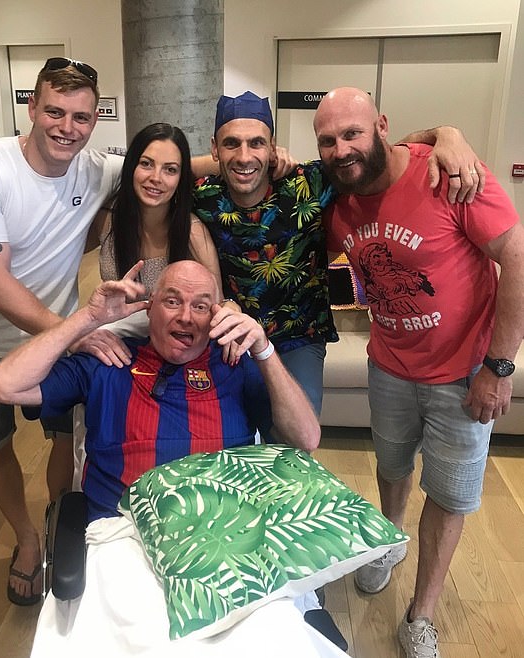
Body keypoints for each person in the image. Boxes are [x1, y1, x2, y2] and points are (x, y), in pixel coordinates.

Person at [313, 86, 524, 658]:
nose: (341, 148)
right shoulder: (338, 198)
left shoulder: (448, 175)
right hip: (389, 366)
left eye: (353, 133)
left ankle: (422, 613)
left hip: (464, 374)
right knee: (392, 465)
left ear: (381, 125)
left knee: (451, 495)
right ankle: (389, 539)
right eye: (327, 140)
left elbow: (517, 253)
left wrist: (499, 366)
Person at [0, 57, 125, 605]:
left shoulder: (95, 168)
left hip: (55, 335)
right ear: (32, 109)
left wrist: (256, 152)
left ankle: (62, 519)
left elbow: (166, 161)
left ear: (94, 121)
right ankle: (25, 539)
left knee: (67, 435)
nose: (68, 127)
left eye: (81, 117)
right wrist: (75, 331)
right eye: (55, 112)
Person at [192, 91, 485, 425]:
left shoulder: (310, 183)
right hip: (232, 339)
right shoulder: (203, 194)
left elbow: (377, 155)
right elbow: (157, 167)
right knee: (229, 438)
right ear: (214, 147)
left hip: (299, 341)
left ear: (272, 148)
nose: (244, 156)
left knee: (296, 444)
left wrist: (446, 134)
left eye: (257, 143)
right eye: (231, 144)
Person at [0, 260, 320, 521]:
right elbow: (2, 385)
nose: (186, 317)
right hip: (125, 532)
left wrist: (262, 348)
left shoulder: (234, 364)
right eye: (172, 301)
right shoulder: (108, 359)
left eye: (201, 306)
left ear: (216, 315)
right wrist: (86, 320)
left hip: (229, 529)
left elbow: (307, 439)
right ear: (150, 306)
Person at [77, 122, 238, 368]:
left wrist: (232, 308)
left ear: (180, 178)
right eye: (146, 164)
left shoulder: (191, 232)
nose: (156, 178)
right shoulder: (108, 221)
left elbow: (218, 301)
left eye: (170, 170)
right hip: (122, 342)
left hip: (177, 348)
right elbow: (60, 253)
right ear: (131, 166)